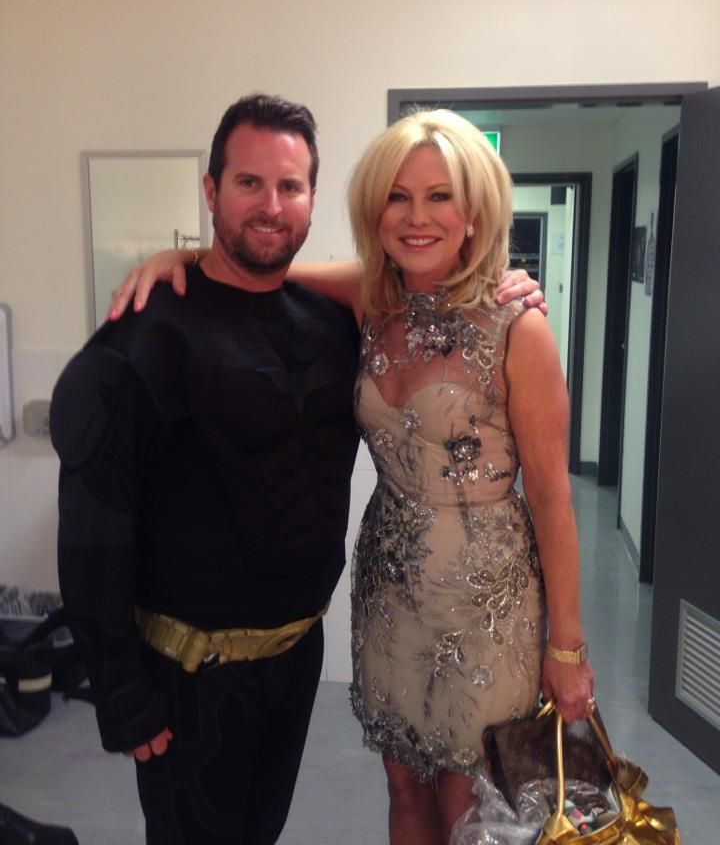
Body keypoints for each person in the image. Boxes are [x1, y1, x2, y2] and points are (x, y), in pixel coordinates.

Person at [52, 94, 542, 845]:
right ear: (211, 191)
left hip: (296, 659)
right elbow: (92, 528)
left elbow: (419, 298)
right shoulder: (147, 333)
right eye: (249, 183)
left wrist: (512, 288)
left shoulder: (339, 318)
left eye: (290, 187)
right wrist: (119, 690)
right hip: (189, 677)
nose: (271, 206)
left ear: (313, 198)